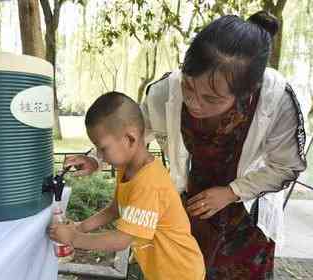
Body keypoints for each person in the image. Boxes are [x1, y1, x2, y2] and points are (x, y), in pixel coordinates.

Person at [63, 11, 307, 280]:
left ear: (248, 92)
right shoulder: (166, 91)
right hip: (188, 207)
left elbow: (286, 166)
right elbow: (131, 132)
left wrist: (231, 192)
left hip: (244, 217)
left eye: (211, 99)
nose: (193, 102)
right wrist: (94, 158)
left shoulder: (276, 101)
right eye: (188, 86)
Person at [49, 92, 205, 280]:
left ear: (130, 139)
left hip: (181, 273)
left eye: (103, 148)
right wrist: (80, 227)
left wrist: (74, 238)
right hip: (161, 272)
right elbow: (114, 209)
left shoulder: (148, 183)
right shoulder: (127, 168)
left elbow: (121, 240)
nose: (100, 155)